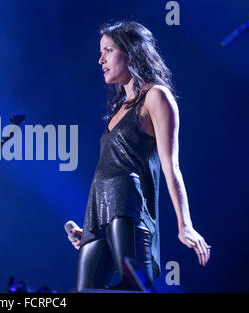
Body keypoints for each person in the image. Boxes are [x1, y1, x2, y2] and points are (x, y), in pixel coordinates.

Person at [67, 21, 211, 291]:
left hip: (127, 206)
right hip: (97, 212)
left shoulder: (156, 96)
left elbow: (172, 166)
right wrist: (89, 230)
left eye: (108, 50)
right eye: (101, 52)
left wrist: (186, 225)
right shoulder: (118, 108)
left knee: (134, 287)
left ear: (131, 52)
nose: (101, 59)